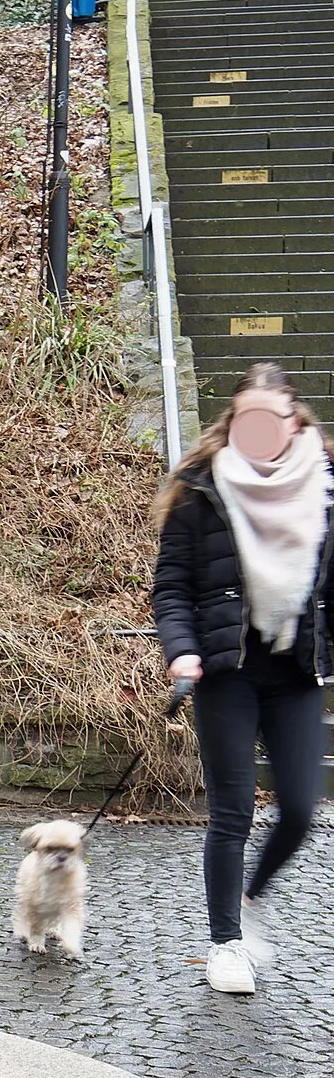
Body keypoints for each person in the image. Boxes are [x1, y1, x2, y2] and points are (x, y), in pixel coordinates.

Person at [152, 363, 334, 995]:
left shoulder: (326, 488)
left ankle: (252, 897)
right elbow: (172, 587)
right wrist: (181, 652)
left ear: (294, 421)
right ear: (234, 422)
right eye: (246, 420)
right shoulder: (202, 488)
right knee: (230, 813)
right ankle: (225, 943)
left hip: (297, 672)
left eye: (271, 420)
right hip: (225, 670)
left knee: (301, 810)